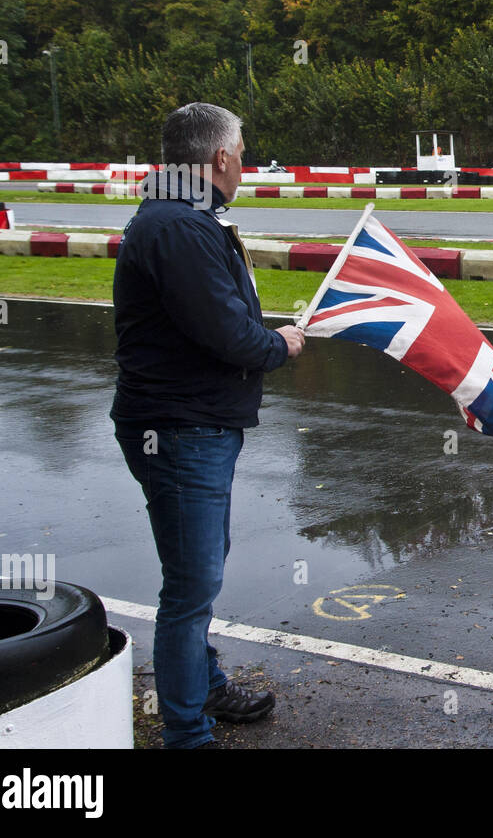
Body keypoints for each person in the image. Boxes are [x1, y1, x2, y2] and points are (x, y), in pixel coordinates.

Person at [110, 103, 305, 749]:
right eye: (242, 150)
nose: (246, 161)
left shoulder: (181, 219)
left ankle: (207, 684)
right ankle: (187, 732)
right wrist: (281, 343)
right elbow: (229, 335)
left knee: (199, 571)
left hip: (188, 424)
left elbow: (214, 317)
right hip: (180, 428)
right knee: (191, 587)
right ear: (220, 157)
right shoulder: (180, 230)